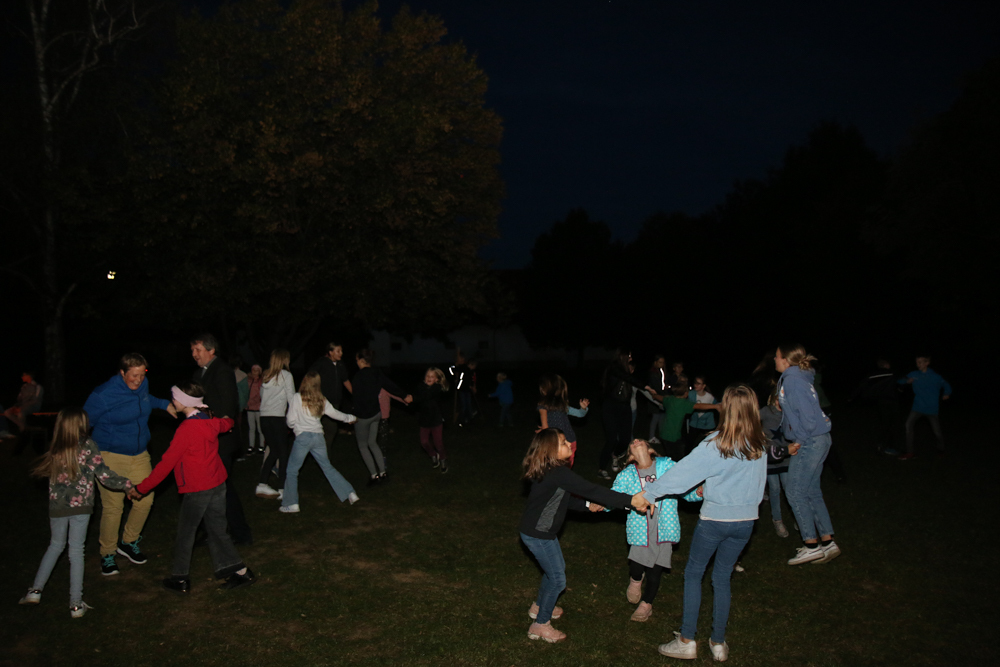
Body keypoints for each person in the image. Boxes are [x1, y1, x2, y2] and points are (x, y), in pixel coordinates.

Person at [632, 384, 768, 662]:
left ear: (725, 409)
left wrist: (648, 494)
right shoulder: (759, 443)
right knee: (722, 577)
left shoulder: (715, 444)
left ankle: (687, 640)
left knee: (694, 574)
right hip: (745, 523)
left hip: (715, 520)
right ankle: (718, 643)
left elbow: (681, 474)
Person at [133, 382, 255, 593]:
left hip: (199, 488)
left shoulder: (187, 429)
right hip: (217, 484)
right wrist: (229, 421)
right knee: (217, 531)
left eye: (175, 397)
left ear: (184, 401)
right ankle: (241, 572)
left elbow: (166, 464)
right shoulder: (208, 420)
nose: (173, 400)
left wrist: (142, 488)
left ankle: (180, 578)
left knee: (186, 533)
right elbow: (225, 424)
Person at [519, 428, 635, 643]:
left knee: (554, 571)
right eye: (563, 442)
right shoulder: (558, 473)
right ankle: (540, 624)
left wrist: (588, 505)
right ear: (550, 450)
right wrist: (630, 500)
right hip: (538, 534)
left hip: (540, 532)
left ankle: (539, 606)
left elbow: (562, 500)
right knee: (557, 580)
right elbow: (592, 489)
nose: (569, 445)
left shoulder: (552, 471)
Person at [18, 408, 136, 618]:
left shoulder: (56, 446)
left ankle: (35, 592)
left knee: (55, 545)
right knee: (76, 551)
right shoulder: (88, 445)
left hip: (58, 507)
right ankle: (75, 604)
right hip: (81, 507)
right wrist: (127, 484)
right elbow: (104, 475)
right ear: (81, 425)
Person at [83, 353, 176, 576]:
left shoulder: (143, 384)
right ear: (122, 372)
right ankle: (107, 553)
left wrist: (164, 404)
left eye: (142, 374)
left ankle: (128, 541)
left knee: (145, 499)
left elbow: (147, 398)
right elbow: (83, 423)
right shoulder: (103, 394)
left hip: (140, 453)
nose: (138, 380)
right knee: (114, 507)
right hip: (111, 456)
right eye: (133, 375)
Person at [600, 438, 702, 622]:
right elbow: (616, 496)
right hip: (639, 528)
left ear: (651, 450)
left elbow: (684, 487)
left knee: (655, 570)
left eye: (641, 441)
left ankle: (646, 604)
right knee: (636, 565)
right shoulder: (627, 475)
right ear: (631, 456)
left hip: (664, 528)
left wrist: (697, 493)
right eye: (632, 443)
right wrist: (602, 504)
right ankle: (636, 579)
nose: (636, 440)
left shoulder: (668, 466)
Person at [775, 343, 839, 565]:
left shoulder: (793, 380)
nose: (774, 359)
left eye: (777, 356)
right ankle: (827, 542)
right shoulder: (798, 377)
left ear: (786, 359)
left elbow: (809, 420)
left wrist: (799, 442)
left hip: (810, 440)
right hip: (819, 438)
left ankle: (811, 545)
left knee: (794, 491)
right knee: (811, 490)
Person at [190, 333, 251, 545]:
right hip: (206, 440)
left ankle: (240, 533)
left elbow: (227, 407)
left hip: (221, 441)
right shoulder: (200, 372)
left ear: (211, 350)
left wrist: (208, 424)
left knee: (222, 489)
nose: (194, 354)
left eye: (198, 350)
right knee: (211, 489)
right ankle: (213, 531)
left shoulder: (222, 371)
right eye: (192, 350)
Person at [280, 372, 360, 513]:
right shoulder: (321, 399)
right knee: (327, 467)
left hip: (303, 438)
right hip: (318, 437)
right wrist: (350, 418)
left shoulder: (297, 398)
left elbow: (290, 420)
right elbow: (335, 414)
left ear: (304, 381)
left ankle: (291, 503)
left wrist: (296, 426)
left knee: (292, 471)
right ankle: (350, 493)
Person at [350, 349, 412, 484]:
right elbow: (390, 385)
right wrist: (404, 395)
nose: (357, 363)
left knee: (363, 445)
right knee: (373, 442)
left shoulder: (358, 377)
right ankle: (383, 473)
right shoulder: (377, 373)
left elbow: (356, 398)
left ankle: (374, 476)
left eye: (357, 360)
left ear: (361, 360)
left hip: (363, 417)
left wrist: (353, 416)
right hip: (376, 414)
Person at [600, 349, 650, 479]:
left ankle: (615, 455)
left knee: (626, 439)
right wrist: (645, 386)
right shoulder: (614, 368)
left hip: (625, 407)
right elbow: (626, 377)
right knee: (611, 439)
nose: (631, 358)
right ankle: (602, 468)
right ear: (623, 356)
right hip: (611, 407)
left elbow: (631, 378)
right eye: (629, 356)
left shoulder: (626, 370)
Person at [649, 376, 721, 462]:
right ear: (686, 394)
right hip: (673, 436)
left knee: (671, 454)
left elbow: (660, 397)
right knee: (676, 458)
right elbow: (699, 406)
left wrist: (654, 395)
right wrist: (715, 406)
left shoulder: (669, 399)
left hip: (664, 434)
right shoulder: (684, 404)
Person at [760, 391, 801, 537]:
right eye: (778, 399)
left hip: (786, 457)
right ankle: (777, 520)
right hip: (770, 458)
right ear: (773, 399)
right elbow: (751, 420)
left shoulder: (789, 413)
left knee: (788, 488)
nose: (780, 403)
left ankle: (798, 517)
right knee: (774, 489)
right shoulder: (767, 411)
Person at [256, 349, 295, 499]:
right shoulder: (286, 375)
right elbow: (291, 398)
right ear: (284, 360)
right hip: (277, 418)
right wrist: (294, 418)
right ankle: (283, 488)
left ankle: (262, 484)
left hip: (264, 418)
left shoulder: (266, 376)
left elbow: (262, 396)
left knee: (274, 451)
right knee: (283, 453)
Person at [898, 355, 952, 460]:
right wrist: (907, 381)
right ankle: (910, 452)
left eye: (920, 362)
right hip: (917, 407)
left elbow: (946, 385)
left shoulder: (935, 376)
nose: (918, 364)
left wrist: (947, 393)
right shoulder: (914, 374)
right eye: (917, 362)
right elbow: (900, 380)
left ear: (927, 363)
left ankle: (941, 450)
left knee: (937, 432)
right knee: (908, 426)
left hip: (931, 409)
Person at [308, 342, 353, 454]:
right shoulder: (321, 363)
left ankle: (323, 453)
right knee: (322, 428)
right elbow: (310, 378)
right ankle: (319, 453)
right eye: (338, 351)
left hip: (335, 403)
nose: (341, 353)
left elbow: (345, 380)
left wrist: (355, 394)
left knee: (331, 429)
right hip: (321, 402)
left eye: (341, 351)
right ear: (330, 352)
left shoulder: (340, 364)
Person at [850, 357, 901, 455]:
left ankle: (881, 445)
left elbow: (862, 385)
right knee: (892, 425)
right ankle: (888, 446)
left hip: (881, 402)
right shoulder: (891, 374)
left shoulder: (873, 375)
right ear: (886, 365)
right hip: (892, 402)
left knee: (885, 424)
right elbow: (900, 381)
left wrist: (852, 396)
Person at [536, 374, 589, 467]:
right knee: (562, 467)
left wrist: (583, 408)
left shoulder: (559, 406)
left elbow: (580, 414)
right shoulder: (546, 406)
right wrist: (544, 431)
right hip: (562, 442)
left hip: (564, 441)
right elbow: (545, 426)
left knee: (558, 467)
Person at [414, 368, 449, 472]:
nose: (429, 378)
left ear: (437, 379)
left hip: (436, 420)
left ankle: (443, 459)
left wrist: (415, 398)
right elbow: (417, 397)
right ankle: (433, 455)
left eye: (432, 377)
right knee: (424, 442)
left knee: (438, 444)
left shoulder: (437, 388)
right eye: (427, 376)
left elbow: (427, 395)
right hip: (424, 420)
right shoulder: (421, 387)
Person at [686, 376, 718, 450]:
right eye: (695, 383)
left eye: (698, 383)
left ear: (704, 386)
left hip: (707, 425)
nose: (695, 385)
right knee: (689, 444)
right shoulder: (690, 394)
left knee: (706, 445)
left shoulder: (710, 397)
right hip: (694, 423)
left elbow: (717, 408)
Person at [645, 354, 668, 443]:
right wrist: (663, 397)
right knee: (655, 417)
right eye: (660, 362)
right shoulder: (653, 373)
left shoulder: (661, 371)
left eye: (663, 362)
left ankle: (661, 435)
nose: (662, 364)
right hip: (655, 398)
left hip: (661, 397)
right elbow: (656, 387)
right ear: (655, 362)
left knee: (661, 417)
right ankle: (651, 437)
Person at [245, 364, 265, 455]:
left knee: (260, 428)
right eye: (254, 370)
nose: (255, 372)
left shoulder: (262, 381)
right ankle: (251, 445)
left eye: (257, 370)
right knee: (251, 428)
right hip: (250, 407)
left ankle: (261, 446)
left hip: (259, 407)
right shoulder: (249, 380)